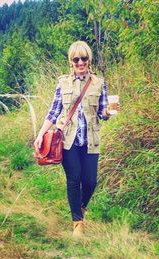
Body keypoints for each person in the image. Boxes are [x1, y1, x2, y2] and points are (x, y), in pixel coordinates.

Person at [34, 40, 119, 237]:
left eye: (84, 58)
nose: (80, 62)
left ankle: (80, 208)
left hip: (90, 139)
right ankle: (77, 223)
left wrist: (107, 112)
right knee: (74, 178)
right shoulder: (62, 82)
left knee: (90, 181)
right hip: (67, 139)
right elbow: (54, 111)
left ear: (89, 60)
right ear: (70, 62)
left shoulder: (99, 82)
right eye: (76, 59)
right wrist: (40, 133)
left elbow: (102, 113)